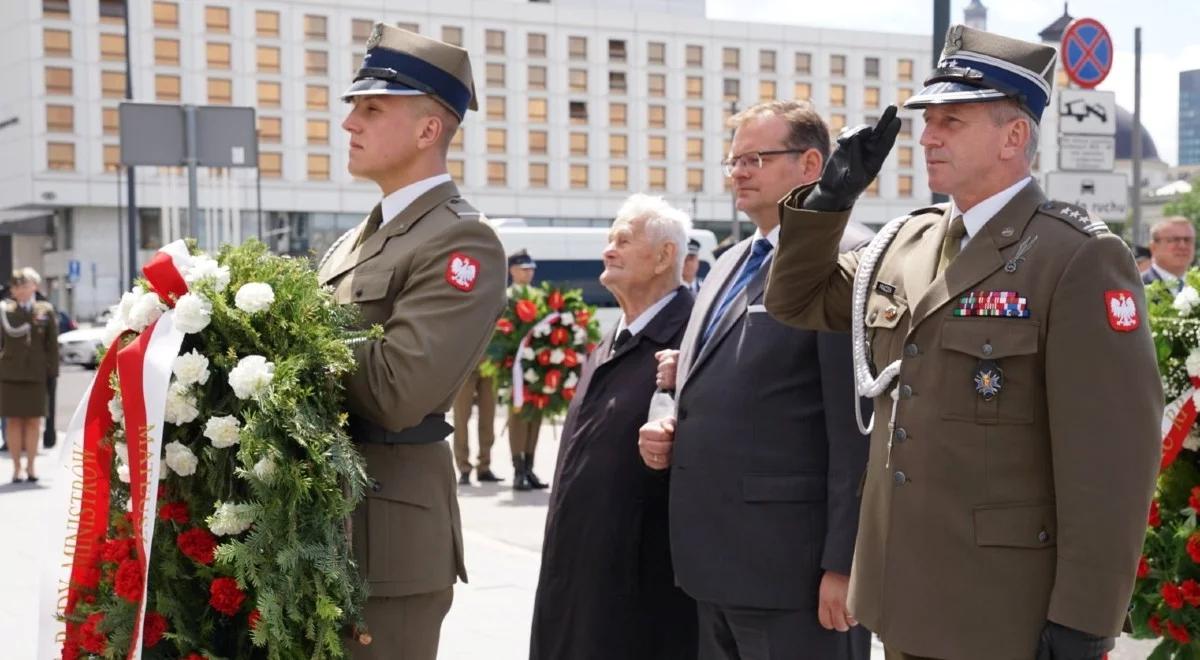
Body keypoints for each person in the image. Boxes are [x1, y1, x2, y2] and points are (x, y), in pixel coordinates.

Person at [764, 25, 1161, 660]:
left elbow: (1111, 464)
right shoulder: (904, 244)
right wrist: (829, 201)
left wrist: (1085, 619)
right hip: (903, 600)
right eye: (928, 120)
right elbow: (794, 301)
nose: (927, 136)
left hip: (1003, 612)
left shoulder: (1076, 258)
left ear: (1014, 136)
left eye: (952, 120)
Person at [638, 100, 871, 660]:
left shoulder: (848, 258)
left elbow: (855, 429)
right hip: (712, 566)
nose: (738, 172)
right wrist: (664, 419)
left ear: (812, 164)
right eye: (734, 160)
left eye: (757, 158)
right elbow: (695, 377)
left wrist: (845, 563)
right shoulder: (728, 261)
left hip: (792, 575)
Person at [316, 23, 505, 660]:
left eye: (371, 108)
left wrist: (288, 336)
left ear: (430, 130)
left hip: (384, 546)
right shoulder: (353, 241)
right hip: (322, 525)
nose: (350, 124)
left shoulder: (461, 241)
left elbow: (397, 390)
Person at [530, 194, 697, 660]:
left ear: (665, 256)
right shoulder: (611, 341)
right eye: (609, 239)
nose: (609, 249)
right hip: (578, 578)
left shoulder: (693, 338)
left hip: (641, 595)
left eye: (623, 240)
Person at [0, 268, 58, 483]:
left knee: (34, 422)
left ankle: (31, 466)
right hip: (10, 375)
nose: (21, 290)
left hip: (36, 375)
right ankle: (16, 467)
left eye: (25, 285)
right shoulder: (5, 311)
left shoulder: (45, 310)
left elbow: (52, 346)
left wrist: (53, 374)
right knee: (14, 422)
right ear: (12, 290)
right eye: (17, 287)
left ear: (34, 286)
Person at [505, 249, 548, 491]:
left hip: (538, 366)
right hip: (514, 368)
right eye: (524, 269)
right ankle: (518, 470)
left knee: (536, 417)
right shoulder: (506, 297)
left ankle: (530, 467)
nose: (529, 273)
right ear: (512, 270)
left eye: (531, 269)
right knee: (518, 418)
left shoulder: (538, 296)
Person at [452, 360, 501, 485]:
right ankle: (464, 468)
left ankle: (484, 466)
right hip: (464, 364)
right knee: (461, 420)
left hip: (490, 364)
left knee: (488, 419)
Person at [1142, 216, 1195, 291]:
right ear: (1153, 247)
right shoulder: (1136, 287)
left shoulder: (1196, 286)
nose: (1182, 246)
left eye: (1188, 240)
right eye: (1174, 239)